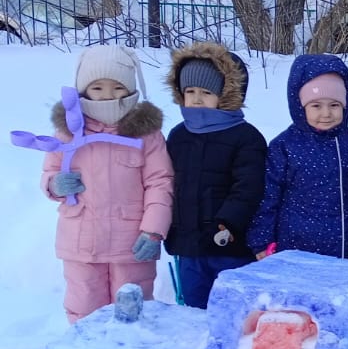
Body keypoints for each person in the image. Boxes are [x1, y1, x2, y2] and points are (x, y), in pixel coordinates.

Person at [41, 45, 174, 322]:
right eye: (97, 88)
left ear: (130, 89)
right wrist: (54, 185)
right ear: (83, 90)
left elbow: (160, 182)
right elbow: (50, 171)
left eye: (117, 87)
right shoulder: (68, 132)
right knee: (84, 310)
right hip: (81, 242)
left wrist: (153, 230)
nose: (108, 95)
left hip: (131, 244)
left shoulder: (147, 134)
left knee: (133, 312)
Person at [164, 42, 267, 308]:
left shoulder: (246, 138)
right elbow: (167, 183)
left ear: (225, 94)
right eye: (190, 91)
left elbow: (248, 187)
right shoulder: (178, 136)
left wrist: (228, 222)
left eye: (206, 92)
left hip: (228, 245)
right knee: (193, 310)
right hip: (189, 247)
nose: (197, 99)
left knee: (231, 310)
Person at [247, 54, 348, 260]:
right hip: (293, 244)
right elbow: (268, 196)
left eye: (334, 105)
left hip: (345, 245)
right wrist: (262, 239)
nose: (326, 113)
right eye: (316, 106)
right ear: (300, 105)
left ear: (345, 105)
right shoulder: (284, 146)